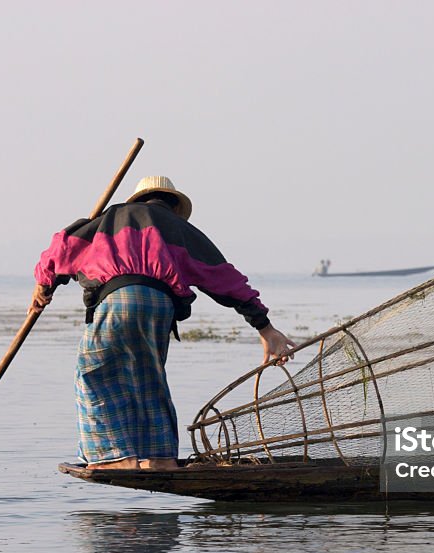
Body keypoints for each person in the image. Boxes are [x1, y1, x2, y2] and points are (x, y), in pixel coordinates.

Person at [31, 176, 295, 470]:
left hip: (116, 299)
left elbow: (61, 250)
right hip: (159, 307)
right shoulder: (183, 231)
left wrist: (44, 286)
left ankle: (115, 459)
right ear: (173, 205)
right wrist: (265, 327)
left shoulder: (109, 218)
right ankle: (159, 459)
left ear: (139, 199)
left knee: (95, 373)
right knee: (150, 380)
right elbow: (226, 280)